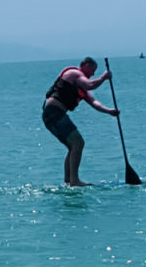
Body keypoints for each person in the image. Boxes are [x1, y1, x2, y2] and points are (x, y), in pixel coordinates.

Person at [42, 57, 119, 186]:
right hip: (53, 113)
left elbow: (94, 102)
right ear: (84, 65)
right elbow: (91, 85)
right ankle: (75, 181)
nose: (93, 74)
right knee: (78, 143)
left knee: (73, 146)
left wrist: (109, 111)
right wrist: (104, 77)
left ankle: (68, 180)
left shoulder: (81, 86)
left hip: (53, 115)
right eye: (92, 70)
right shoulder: (75, 74)